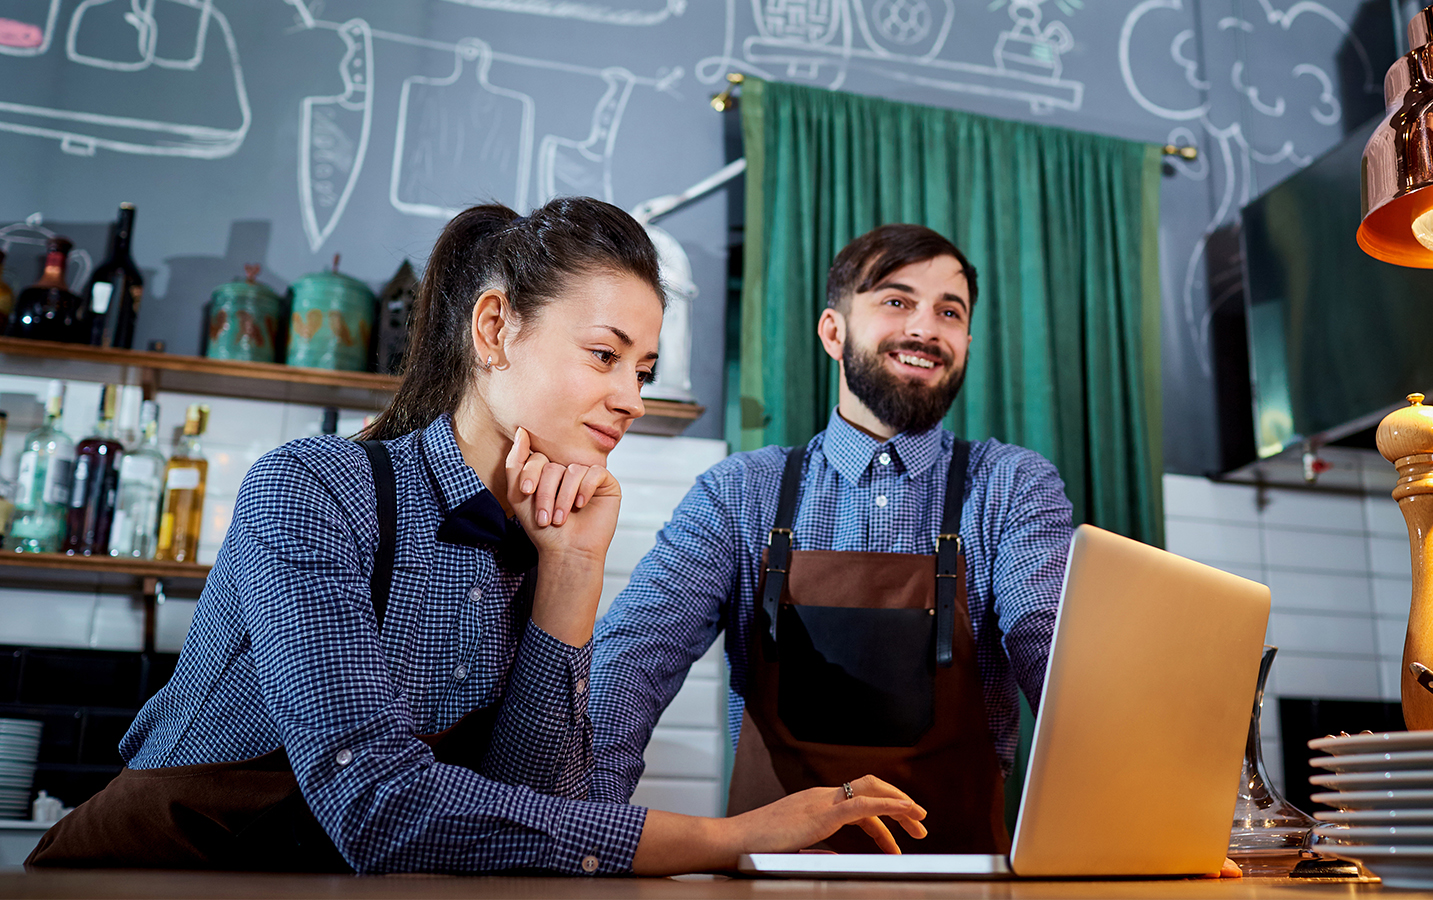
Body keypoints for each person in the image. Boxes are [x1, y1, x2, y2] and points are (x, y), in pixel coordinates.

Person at [26, 199, 925, 876]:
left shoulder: (542, 540)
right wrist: (726, 839)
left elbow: (543, 815)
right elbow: (376, 803)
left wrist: (571, 573)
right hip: (143, 883)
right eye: (605, 356)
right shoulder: (312, 488)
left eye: (643, 371)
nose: (632, 399)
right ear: (495, 328)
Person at [590, 223, 1075, 854]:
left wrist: (1148, 820)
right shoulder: (737, 492)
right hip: (774, 881)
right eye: (896, 301)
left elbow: (1054, 648)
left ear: (966, 341)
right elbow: (630, 664)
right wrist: (575, 833)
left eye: (949, 312)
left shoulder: (1012, 486)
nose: (926, 328)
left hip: (963, 882)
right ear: (833, 331)